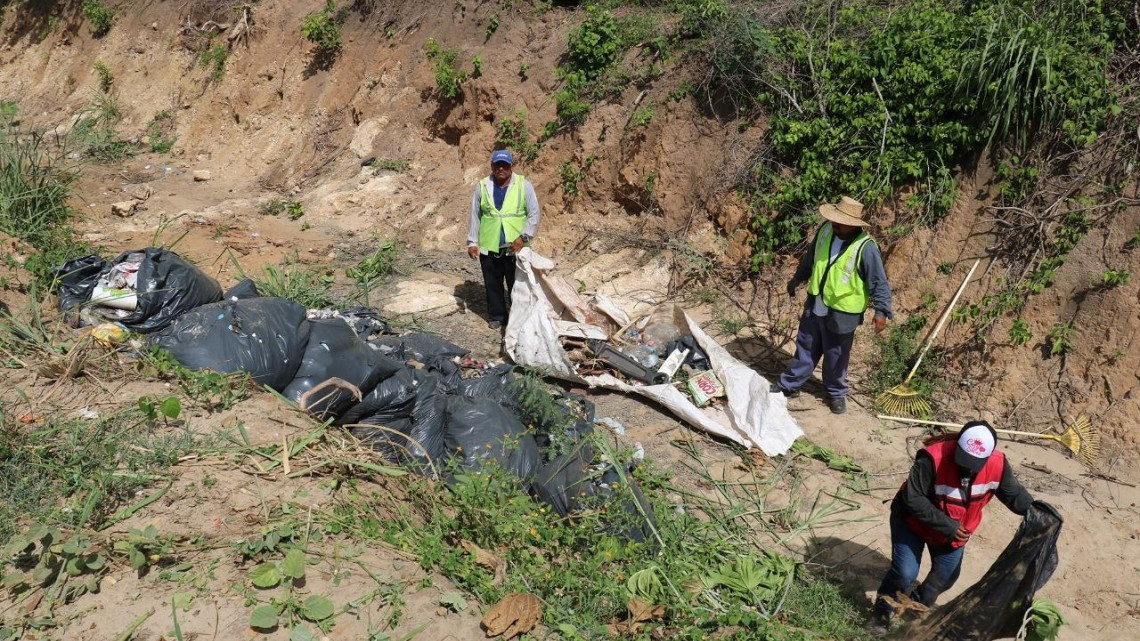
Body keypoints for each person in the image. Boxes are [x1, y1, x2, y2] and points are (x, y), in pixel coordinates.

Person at [870, 421, 1034, 635]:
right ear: (957, 445)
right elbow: (913, 498)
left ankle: (911, 610)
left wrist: (1039, 511)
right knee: (905, 572)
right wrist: (948, 525)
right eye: (963, 460)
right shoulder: (932, 458)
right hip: (912, 523)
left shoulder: (998, 465)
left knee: (945, 578)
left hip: (953, 533)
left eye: (974, 463)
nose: (967, 467)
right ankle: (883, 610)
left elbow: (1015, 497)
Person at [776, 196, 893, 414]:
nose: (835, 224)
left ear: (853, 224)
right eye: (834, 219)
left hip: (843, 312)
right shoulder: (825, 231)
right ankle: (789, 385)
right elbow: (810, 260)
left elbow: (878, 281)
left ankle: (836, 393)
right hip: (816, 302)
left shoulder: (866, 248)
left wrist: (881, 310)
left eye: (840, 221)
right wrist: (797, 279)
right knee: (806, 346)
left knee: (837, 355)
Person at [466, 149, 541, 329]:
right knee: (492, 282)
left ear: (511, 167)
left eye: (505, 165)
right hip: (490, 244)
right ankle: (497, 315)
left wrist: (523, 237)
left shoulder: (524, 185)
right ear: (491, 166)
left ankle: (518, 317)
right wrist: (472, 242)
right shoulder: (482, 186)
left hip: (516, 246)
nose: (501, 168)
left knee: (517, 284)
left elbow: (534, 214)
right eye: (497, 165)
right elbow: (475, 215)